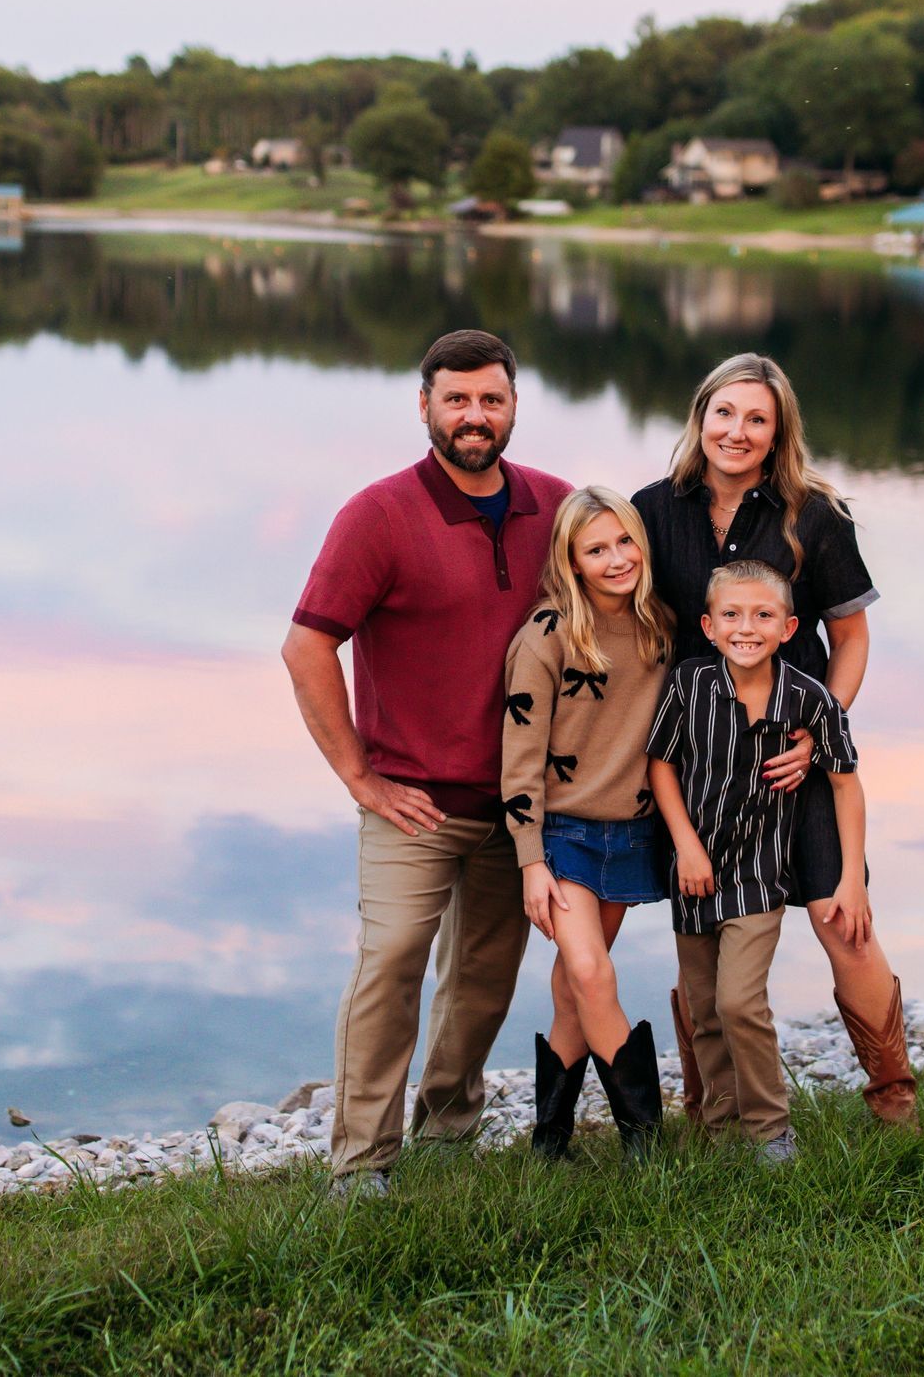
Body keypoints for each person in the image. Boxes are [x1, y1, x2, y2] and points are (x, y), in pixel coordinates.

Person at [282, 329, 571, 1197]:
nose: (474, 416)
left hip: (522, 803)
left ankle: (448, 1129)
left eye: (491, 399)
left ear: (515, 405)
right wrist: (359, 777)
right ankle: (362, 1160)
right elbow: (306, 650)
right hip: (411, 798)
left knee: (484, 976)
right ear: (425, 406)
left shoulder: (558, 508)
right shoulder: (376, 515)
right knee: (395, 959)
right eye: (457, 399)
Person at [634, 352, 918, 1128]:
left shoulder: (814, 515)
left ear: (778, 429)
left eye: (756, 417)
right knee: (707, 933)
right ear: (700, 417)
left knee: (841, 916)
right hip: (700, 769)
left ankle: (895, 1102)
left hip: (800, 763)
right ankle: (713, 1109)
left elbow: (850, 636)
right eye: (724, 413)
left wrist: (820, 730)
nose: (737, 430)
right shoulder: (653, 511)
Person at [646, 560, 865, 1163]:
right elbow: (660, 766)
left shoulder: (809, 698)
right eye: (732, 616)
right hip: (692, 873)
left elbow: (846, 784)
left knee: (740, 1000)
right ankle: (718, 1130)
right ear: (709, 626)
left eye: (763, 615)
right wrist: (686, 847)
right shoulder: (689, 684)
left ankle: (770, 1130)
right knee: (705, 1011)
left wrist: (851, 879)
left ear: (789, 627)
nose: (747, 628)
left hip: (758, 877)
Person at [501, 486, 675, 1158]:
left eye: (625, 542)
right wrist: (530, 861)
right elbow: (519, 760)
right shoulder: (546, 637)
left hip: (629, 833)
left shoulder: (659, 626)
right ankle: (646, 1145)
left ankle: (550, 1140)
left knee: (576, 986)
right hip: (562, 835)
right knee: (593, 975)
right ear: (571, 561)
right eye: (596, 549)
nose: (615, 559)